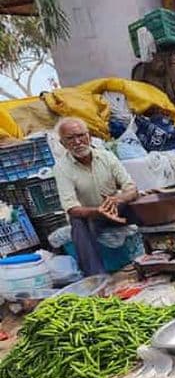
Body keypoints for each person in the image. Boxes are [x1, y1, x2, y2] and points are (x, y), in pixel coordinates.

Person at [53, 117, 139, 276]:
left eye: (81, 135)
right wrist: (98, 211)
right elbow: (71, 208)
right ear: (62, 144)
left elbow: (131, 188)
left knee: (143, 204)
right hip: (91, 215)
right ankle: (96, 276)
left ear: (89, 136)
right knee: (77, 223)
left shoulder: (106, 157)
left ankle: (157, 256)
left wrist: (118, 199)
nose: (77, 142)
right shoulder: (61, 168)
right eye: (70, 139)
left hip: (116, 208)